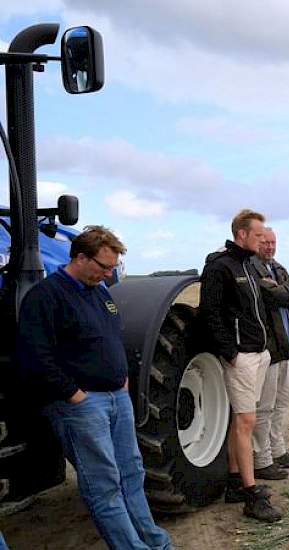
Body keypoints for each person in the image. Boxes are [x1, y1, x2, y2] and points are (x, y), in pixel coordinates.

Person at [16, 226, 172, 549]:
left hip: (117, 397)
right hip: (82, 405)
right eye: (103, 266)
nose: (108, 273)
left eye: (112, 267)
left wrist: (122, 378)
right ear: (80, 257)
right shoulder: (46, 297)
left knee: (132, 473)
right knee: (104, 484)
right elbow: (35, 355)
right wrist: (74, 395)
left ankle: (155, 541)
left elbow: (111, 338)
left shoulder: (100, 292)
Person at [198, 209, 281, 522]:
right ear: (242, 234)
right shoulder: (220, 266)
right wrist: (231, 353)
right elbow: (210, 313)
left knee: (241, 421)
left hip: (258, 354)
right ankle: (251, 496)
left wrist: (264, 350)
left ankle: (234, 481)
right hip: (241, 357)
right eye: (259, 235)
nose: (263, 240)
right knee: (246, 422)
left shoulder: (249, 264)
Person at [251, 227, 289, 480]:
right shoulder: (252, 268)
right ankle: (262, 460)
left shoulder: (276, 267)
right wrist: (281, 291)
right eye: (265, 242)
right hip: (268, 347)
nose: (270, 247)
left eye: (273, 242)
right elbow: (272, 296)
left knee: (281, 402)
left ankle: (278, 451)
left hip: (284, 345)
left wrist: (282, 289)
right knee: (264, 406)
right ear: (254, 242)